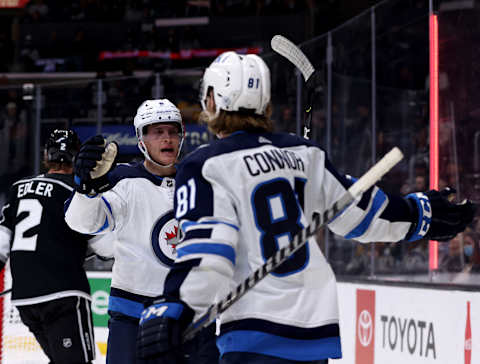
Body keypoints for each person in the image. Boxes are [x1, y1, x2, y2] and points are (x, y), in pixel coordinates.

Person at [135, 52, 476, 364]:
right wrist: (420, 214)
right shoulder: (305, 154)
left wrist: (175, 306)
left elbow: (210, 257)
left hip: (255, 339)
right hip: (315, 336)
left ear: (215, 99)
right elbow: (363, 214)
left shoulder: (205, 165)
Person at [64, 99, 219, 364]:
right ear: (141, 140)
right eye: (157, 132)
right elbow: (82, 223)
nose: (167, 138)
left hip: (190, 313)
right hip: (132, 317)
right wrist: (86, 189)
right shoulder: (122, 179)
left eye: (172, 131)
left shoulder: (198, 178)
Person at [0, 129, 113, 364]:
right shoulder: (77, 192)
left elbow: (2, 241)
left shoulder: (17, 189)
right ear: (77, 157)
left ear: (46, 155)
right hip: (63, 294)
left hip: (25, 299)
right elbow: (106, 248)